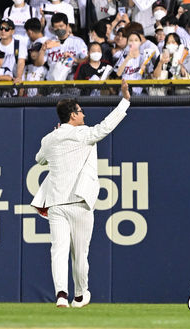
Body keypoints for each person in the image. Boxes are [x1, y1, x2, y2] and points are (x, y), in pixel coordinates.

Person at [31, 80, 131, 307]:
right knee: (79, 254)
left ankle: (61, 295)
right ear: (72, 116)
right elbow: (105, 126)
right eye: (80, 111)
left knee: (58, 251)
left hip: (56, 203)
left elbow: (39, 159)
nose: (83, 114)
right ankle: (80, 294)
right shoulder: (83, 134)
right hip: (79, 202)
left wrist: (55, 137)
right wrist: (125, 101)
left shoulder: (49, 138)